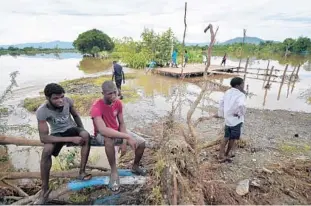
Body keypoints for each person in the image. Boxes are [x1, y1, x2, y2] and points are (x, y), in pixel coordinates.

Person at [35, 83, 91, 204]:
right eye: (56, 98)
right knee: (46, 151)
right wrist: (71, 139)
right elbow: (43, 138)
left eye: (62, 97)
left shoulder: (68, 101)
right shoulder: (42, 111)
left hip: (71, 128)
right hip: (57, 133)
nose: (60, 100)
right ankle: (44, 188)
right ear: (47, 98)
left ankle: (82, 172)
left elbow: (75, 115)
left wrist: (81, 130)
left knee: (86, 136)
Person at [90, 81, 146, 192]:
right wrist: (126, 137)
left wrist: (124, 140)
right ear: (103, 93)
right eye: (109, 94)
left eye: (115, 92)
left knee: (142, 142)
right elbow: (103, 130)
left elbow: (122, 123)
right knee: (108, 139)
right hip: (101, 135)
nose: (113, 96)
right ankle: (114, 171)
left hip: (117, 131)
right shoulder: (96, 107)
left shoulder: (118, 103)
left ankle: (135, 166)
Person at [217, 77, 246, 163]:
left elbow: (221, 102)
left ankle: (220, 155)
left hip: (228, 119)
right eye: (243, 84)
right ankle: (226, 154)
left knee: (226, 137)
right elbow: (242, 105)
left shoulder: (227, 92)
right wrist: (240, 114)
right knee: (232, 139)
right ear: (238, 85)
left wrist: (222, 114)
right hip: (236, 121)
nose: (244, 85)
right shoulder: (241, 95)